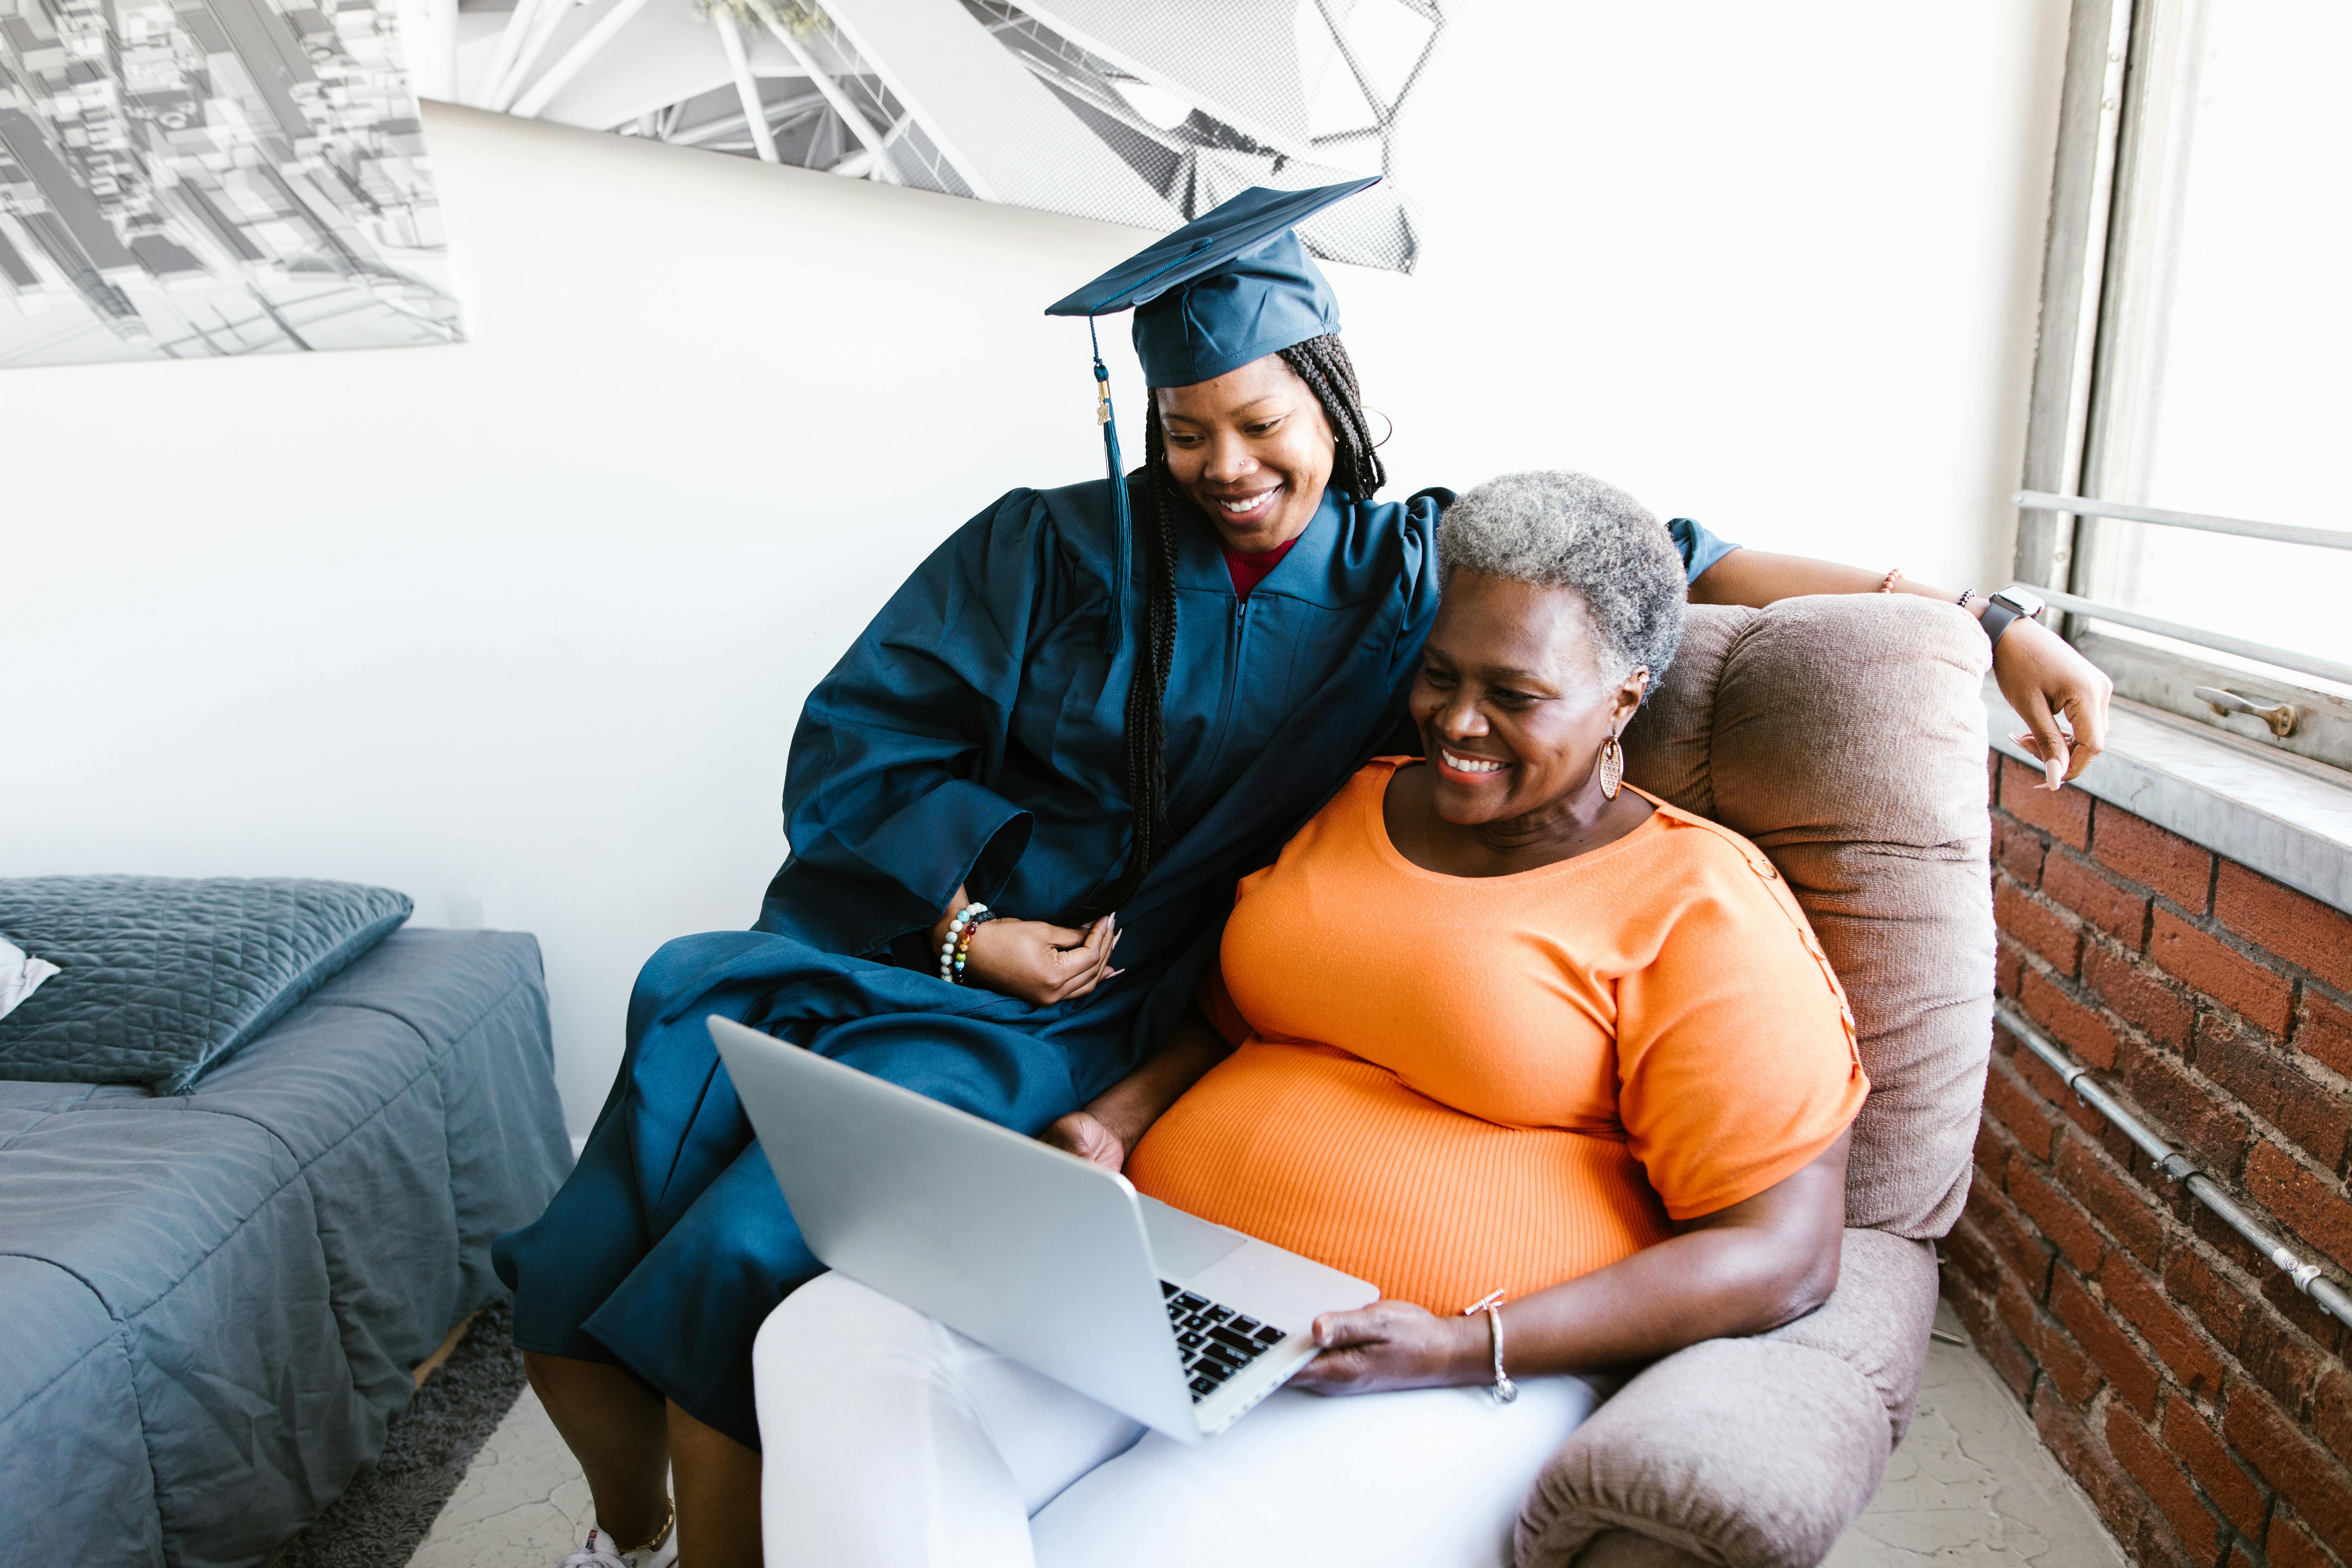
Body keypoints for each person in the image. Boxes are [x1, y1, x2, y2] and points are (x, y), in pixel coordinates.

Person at [500, 183, 2111, 1568]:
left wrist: (1977, 618)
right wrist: (989, 943)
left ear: (1331, 402)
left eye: (1261, 422)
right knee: (660, 1233)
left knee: (746, 1254)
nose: (1224, 463)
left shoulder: (1430, 579)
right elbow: (864, 744)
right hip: (971, 984)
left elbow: (1669, 554)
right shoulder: (1054, 554)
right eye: (1187, 430)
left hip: (1215, 1128)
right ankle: (626, 1522)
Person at [751, 471, 1868, 1567]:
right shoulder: (1350, 801)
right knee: (836, 1334)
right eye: (1439, 677)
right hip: (1164, 1290)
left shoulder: (1701, 902)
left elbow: (1782, 1253)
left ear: (1625, 695)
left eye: (1515, 696)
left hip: (1437, 1369)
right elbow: (1232, 1021)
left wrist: (1460, 1343)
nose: (1459, 724)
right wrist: (1117, 1123)